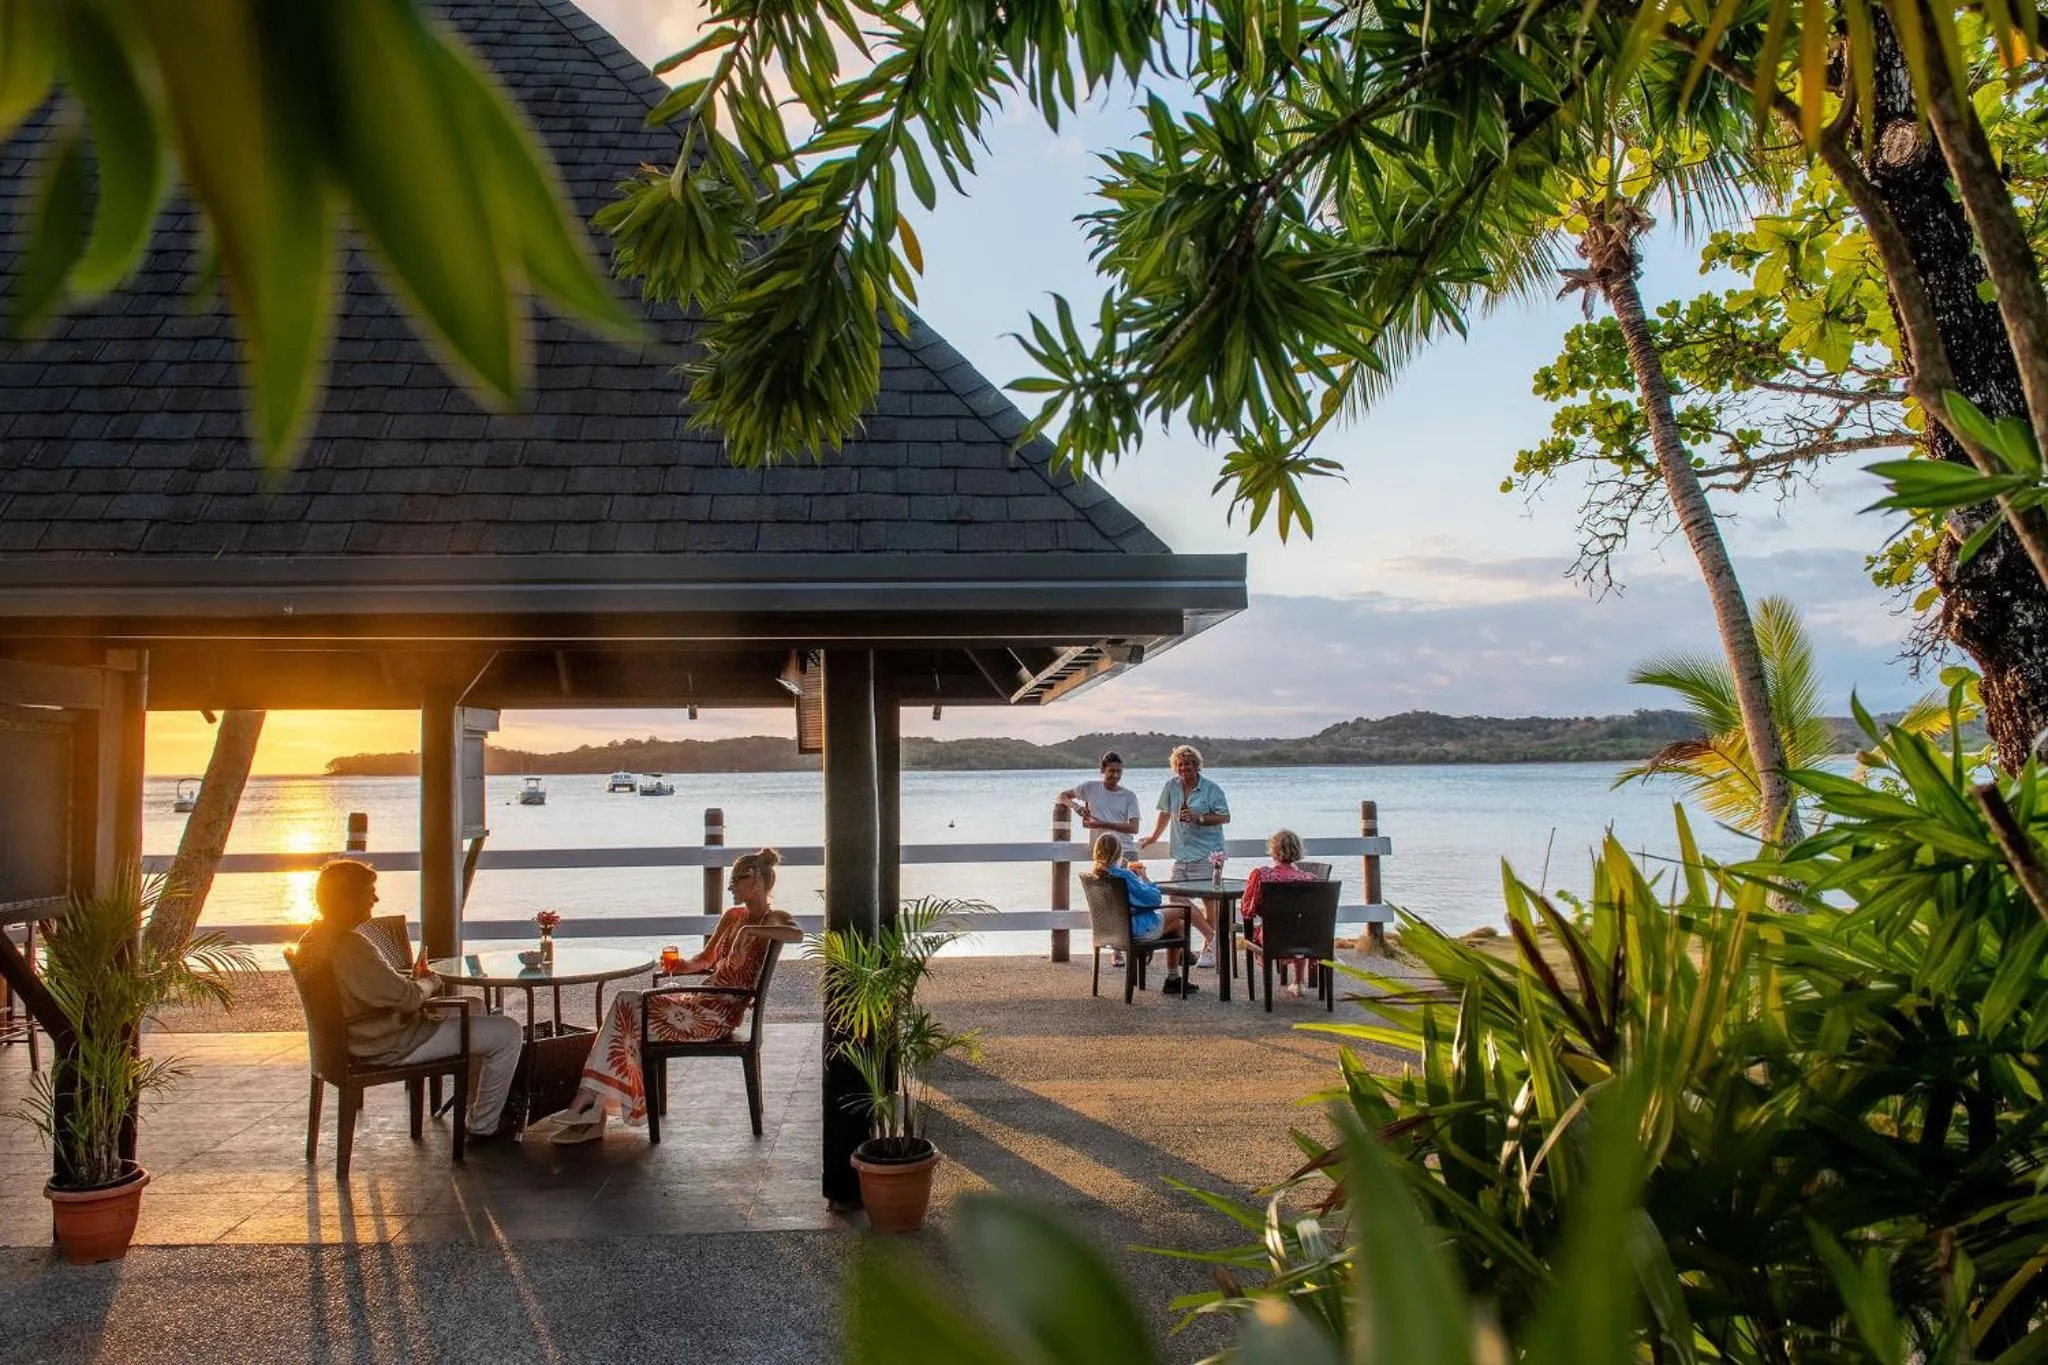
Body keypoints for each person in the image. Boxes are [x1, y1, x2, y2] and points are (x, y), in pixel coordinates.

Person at [539, 847, 801, 1144]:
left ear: (755, 881)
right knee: (627, 1011)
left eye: (735, 881)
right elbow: (705, 959)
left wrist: (751, 932)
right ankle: (590, 1107)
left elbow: (797, 934)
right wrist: (681, 965)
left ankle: (588, 1107)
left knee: (627, 1006)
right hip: (698, 1003)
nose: (730, 887)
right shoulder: (732, 916)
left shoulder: (772, 918)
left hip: (715, 1017)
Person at [296, 859, 523, 1140]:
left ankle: (472, 1107)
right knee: (508, 1032)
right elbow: (407, 999)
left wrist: (412, 984)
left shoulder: (313, 940)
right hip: (389, 1043)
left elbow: (377, 989)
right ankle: (484, 1125)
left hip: (358, 1037)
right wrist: (429, 983)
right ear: (346, 900)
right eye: (369, 892)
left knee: (475, 1006)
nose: (375, 899)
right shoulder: (349, 946)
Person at [1139, 744, 1230, 969]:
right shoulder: (1171, 786)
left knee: (1210, 903)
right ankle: (1212, 937)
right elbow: (1164, 813)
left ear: (1196, 766)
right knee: (1175, 898)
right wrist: (1153, 836)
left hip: (1207, 854)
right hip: (1181, 854)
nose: (1184, 769)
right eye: (1180, 765)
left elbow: (1225, 817)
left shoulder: (1211, 789)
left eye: (1188, 765)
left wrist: (1200, 818)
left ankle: (1209, 952)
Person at [1061, 751, 1143, 966]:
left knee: (1135, 898)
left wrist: (1102, 824)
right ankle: (1117, 949)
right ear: (1102, 770)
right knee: (1110, 901)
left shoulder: (1129, 796)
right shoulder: (1090, 788)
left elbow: (1134, 827)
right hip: (1105, 854)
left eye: (1119, 771)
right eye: (1111, 771)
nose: (1115, 775)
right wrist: (1078, 809)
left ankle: (1139, 942)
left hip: (1126, 850)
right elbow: (1062, 796)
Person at [1089, 833, 1196, 996]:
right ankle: (1178, 965)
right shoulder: (1124, 875)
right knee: (1180, 910)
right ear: (1119, 853)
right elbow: (1154, 899)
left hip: (1109, 931)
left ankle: (1174, 976)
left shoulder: (1095, 876)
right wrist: (1144, 877)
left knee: (1179, 926)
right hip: (1135, 931)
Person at [1239, 829, 1321, 997]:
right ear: (1298, 850)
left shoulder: (1261, 875)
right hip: (1303, 937)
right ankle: (1298, 982)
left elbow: (1248, 909)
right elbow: (1315, 913)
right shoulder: (1309, 879)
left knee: (1265, 931)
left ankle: (1281, 984)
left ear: (1273, 849)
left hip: (1272, 935)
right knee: (1299, 928)